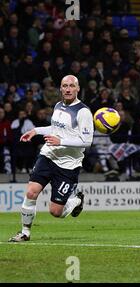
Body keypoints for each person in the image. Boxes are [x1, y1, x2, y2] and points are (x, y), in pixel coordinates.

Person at [9, 75, 94, 242]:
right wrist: (36, 131)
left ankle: (76, 200)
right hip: (48, 156)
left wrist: (60, 141)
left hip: (68, 165)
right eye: (65, 86)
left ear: (77, 89)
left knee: (56, 212)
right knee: (31, 192)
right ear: (60, 89)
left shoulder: (83, 112)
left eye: (71, 86)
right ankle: (25, 232)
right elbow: (54, 128)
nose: (68, 89)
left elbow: (87, 141)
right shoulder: (58, 105)